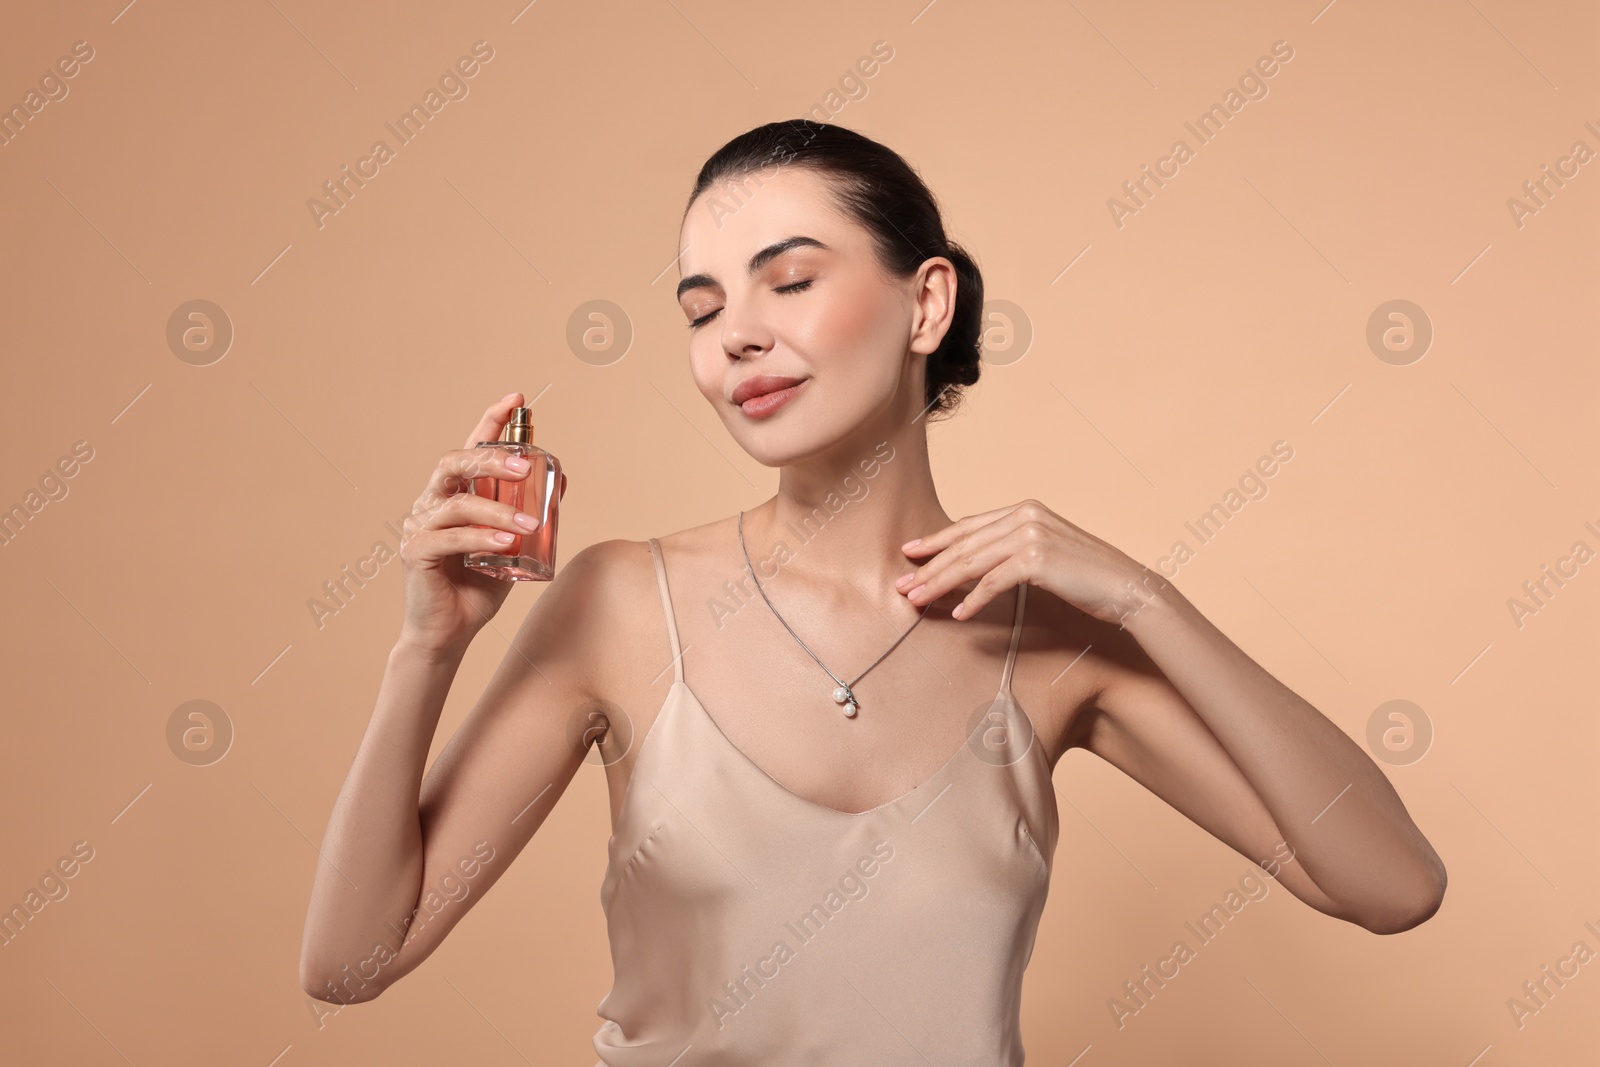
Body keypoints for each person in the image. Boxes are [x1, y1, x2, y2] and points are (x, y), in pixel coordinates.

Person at [299, 120, 1447, 1064]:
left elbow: (1392, 886)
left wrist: (1146, 599)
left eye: (788, 280)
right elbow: (349, 965)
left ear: (926, 304)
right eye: (701, 311)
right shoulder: (619, 602)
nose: (736, 336)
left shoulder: (1050, 644)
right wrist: (427, 651)